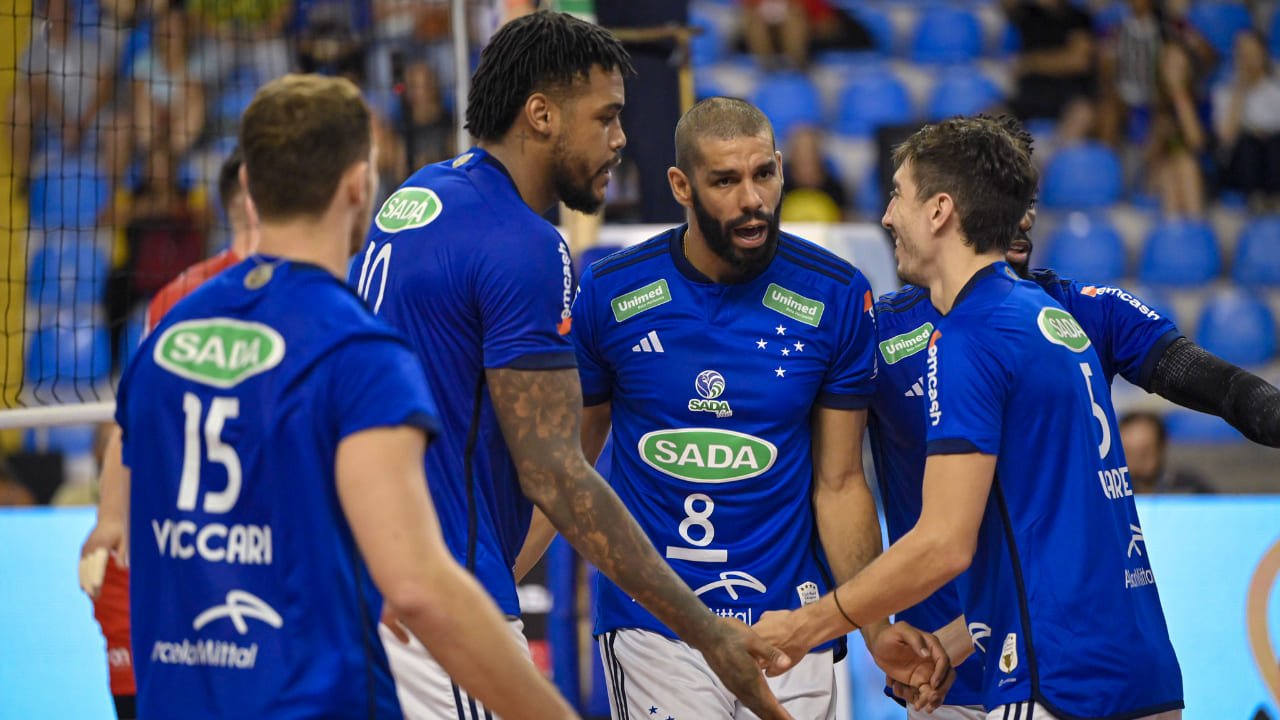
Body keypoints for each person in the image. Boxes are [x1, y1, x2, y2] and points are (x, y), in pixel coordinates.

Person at [350, 12, 791, 720]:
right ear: (542, 115)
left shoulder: (418, 197)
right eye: (607, 118)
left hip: (372, 587)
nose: (621, 139)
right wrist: (706, 632)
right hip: (439, 610)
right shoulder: (524, 243)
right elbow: (554, 471)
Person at [115, 73, 578, 720]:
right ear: (360, 186)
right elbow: (418, 587)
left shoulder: (167, 336)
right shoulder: (359, 353)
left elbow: (136, 537)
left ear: (247, 188)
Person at [754, 116, 1186, 720]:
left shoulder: (967, 335)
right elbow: (1038, 540)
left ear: (939, 212)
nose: (886, 216)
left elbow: (943, 545)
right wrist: (949, 650)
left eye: (898, 195)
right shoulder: (1045, 315)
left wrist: (806, 626)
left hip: (1056, 686)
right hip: (1141, 673)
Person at [561, 97, 949, 719]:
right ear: (681, 186)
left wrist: (875, 629)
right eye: (726, 181)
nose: (752, 200)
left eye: (764, 174)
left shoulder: (836, 293)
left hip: (792, 623)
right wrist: (489, 585)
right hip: (657, 625)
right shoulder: (612, 291)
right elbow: (565, 469)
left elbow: (842, 482)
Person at [79, 145, 262, 720]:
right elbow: (132, 422)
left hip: (228, 542)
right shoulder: (187, 296)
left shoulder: (184, 294)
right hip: (202, 543)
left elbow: (131, 421)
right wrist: (111, 519)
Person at [1119, 412, 1214, 494]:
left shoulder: (1190, 489)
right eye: (1128, 452)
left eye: (1144, 452)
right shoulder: (1111, 494)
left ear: (1161, 447)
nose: (1136, 460)